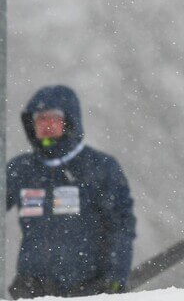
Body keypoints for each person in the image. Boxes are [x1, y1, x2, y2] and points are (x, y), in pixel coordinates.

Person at [6, 85, 136, 298]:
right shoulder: (20, 170)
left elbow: (121, 224)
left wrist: (115, 278)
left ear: (69, 120)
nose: (46, 125)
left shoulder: (99, 167)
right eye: (40, 119)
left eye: (53, 118)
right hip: (32, 289)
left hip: (86, 288)